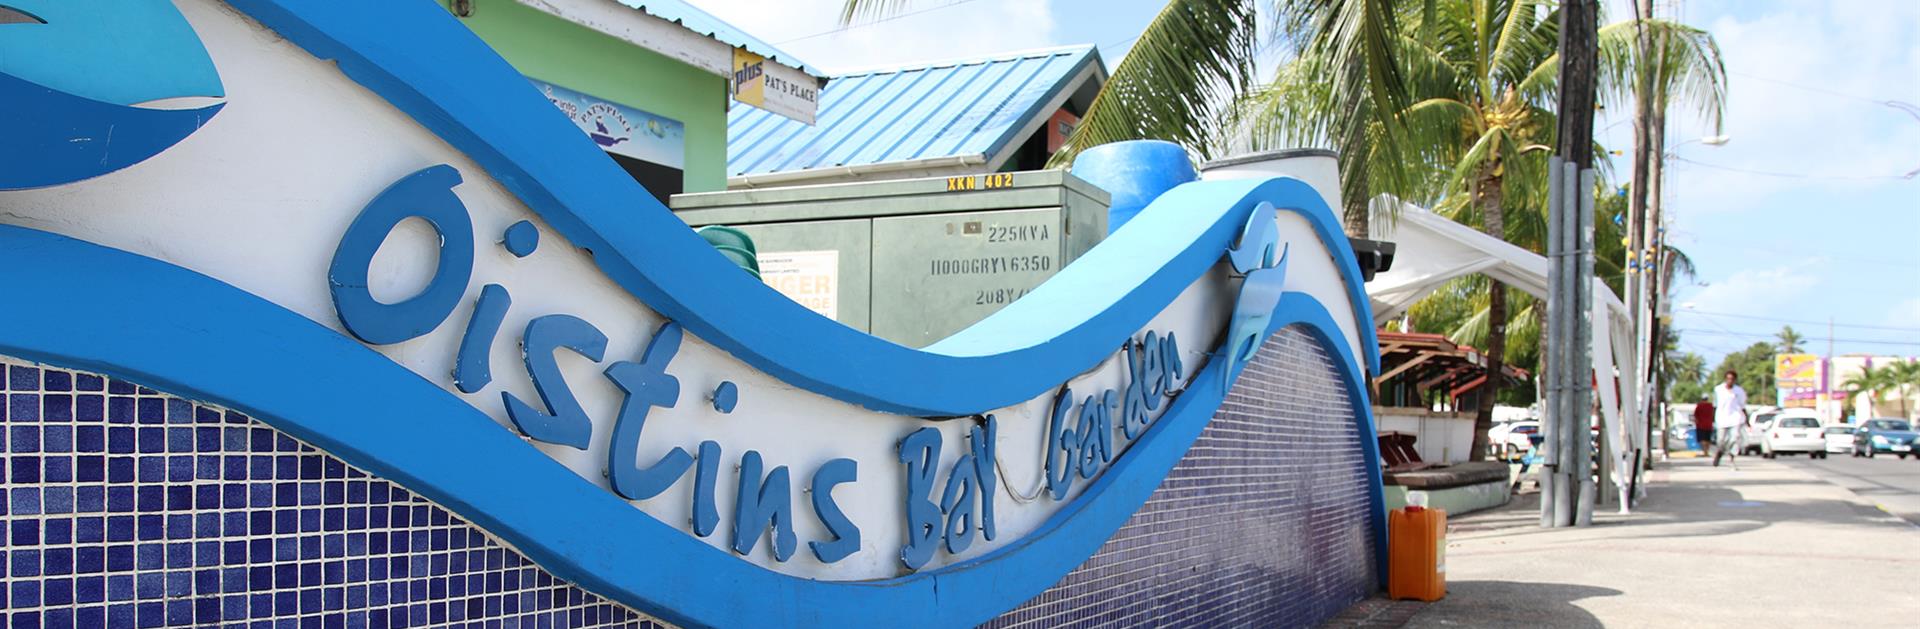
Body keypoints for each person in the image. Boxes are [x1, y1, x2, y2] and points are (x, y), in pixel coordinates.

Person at [1713, 370, 1748, 467]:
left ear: (1735, 380)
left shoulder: (1739, 391)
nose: (1730, 381)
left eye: (1732, 379)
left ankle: (1732, 457)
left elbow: (1743, 406)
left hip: (1735, 418)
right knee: (1721, 440)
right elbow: (1715, 405)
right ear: (1725, 379)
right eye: (1728, 379)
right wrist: (1712, 419)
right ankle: (1720, 452)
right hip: (1721, 418)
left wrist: (1747, 420)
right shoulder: (1718, 389)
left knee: (1734, 438)